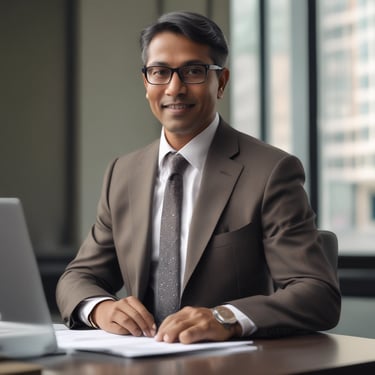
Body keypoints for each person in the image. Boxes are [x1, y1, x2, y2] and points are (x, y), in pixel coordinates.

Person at [56, 11, 340, 344]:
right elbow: (79, 276)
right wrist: (100, 308)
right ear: (146, 83)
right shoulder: (122, 173)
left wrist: (226, 318)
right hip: (140, 361)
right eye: (159, 72)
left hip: (230, 363)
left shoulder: (270, 171)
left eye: (193, 71)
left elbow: (318, 293)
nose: (174, 88)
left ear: (221, 82)